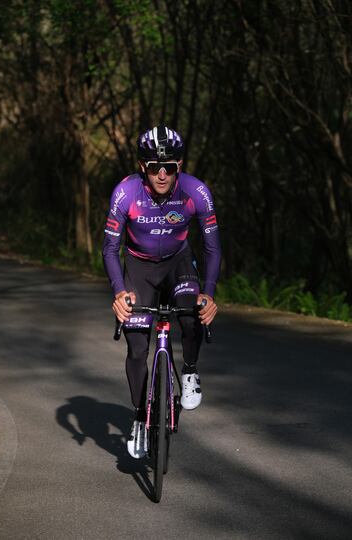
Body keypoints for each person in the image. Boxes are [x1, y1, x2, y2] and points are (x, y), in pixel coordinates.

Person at [103, 125, 221, 459]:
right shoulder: (125, 194)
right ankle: (140, 416)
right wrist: (118, 291)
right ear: (143, 166)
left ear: (179, 166)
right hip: (139, 269)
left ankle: (191, 370)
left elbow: (213, 248)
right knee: (138, 347)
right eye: (155, 167)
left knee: (190, 315)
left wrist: (209, 293)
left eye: (170, 166)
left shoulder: (196, 192)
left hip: (179, 263)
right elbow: (110, 249)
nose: (163, 174)